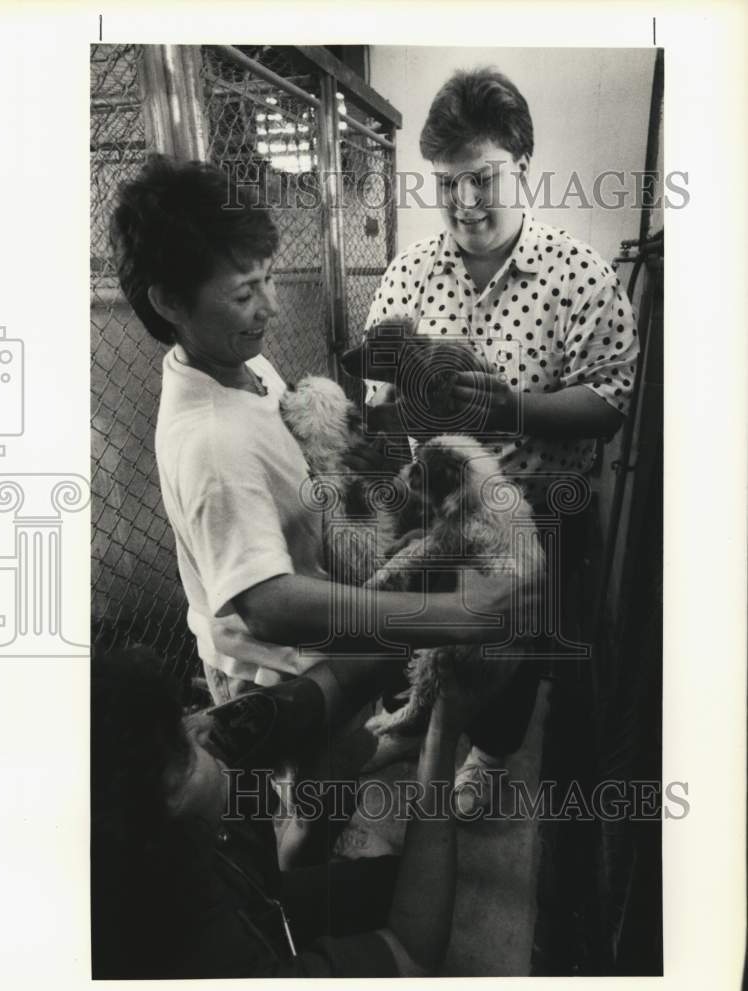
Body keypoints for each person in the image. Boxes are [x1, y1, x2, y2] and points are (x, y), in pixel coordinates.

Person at [342, 67, 640, 814]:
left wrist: (518, 411)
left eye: (482, 178)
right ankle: (425, 722)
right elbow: (377, 400)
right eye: (446, 183)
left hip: (539, 507)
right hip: (438, 497)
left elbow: (612, 399)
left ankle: (491, 754)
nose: (464, 202)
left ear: (523, 167)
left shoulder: (580, 275)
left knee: (517, 647)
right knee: (435, 628)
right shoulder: (408, 274)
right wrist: (401, 399)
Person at [110, 154, 516, 702]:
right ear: (170, 303)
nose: (270, 306)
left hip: (317, 648)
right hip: (275, 680)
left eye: (269, 278)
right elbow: (269, 605)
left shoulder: (243, 367)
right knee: (316, 789)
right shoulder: (210, 440)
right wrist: (445, 616)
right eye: (243, 294)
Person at [91, 645, 466, 978]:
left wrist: (422, 628)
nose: (204, 726)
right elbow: (412, 952)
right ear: (160, 835)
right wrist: (443, 729)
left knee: (395, 883)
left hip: (261, 901)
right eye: (182, 750)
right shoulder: (212, 963)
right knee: (422, 909)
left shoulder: (144, 775)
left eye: (182, 718)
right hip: (243, 941)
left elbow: (328, 682)